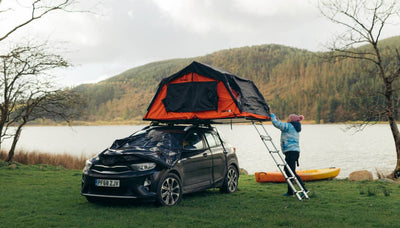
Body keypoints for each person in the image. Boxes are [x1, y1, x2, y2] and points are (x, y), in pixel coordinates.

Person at [270, 113, 308, 196]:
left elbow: (277, 124)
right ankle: (290, 191)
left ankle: (304, 190)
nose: (287, 119)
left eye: (288, 118)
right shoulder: (294, 127)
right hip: (294, 152)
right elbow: (282, 127)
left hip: (290, 152)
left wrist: (272, 116)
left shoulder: (289, 126)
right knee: (288, 171)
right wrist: (278, 120)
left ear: (291, 120)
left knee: (291, 172)